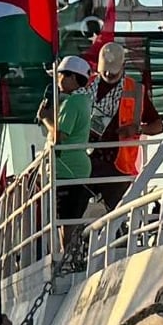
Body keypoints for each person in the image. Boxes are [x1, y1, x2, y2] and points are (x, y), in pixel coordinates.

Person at [87, 41, 160, 211]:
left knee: (114, 216)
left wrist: (138, 129)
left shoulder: (136, 91)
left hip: (120, 166)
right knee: (77, 212)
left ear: (123, 66)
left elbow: (158, 126)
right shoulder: (87, 86)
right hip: (86, 160)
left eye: (112, 72)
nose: (108, 75)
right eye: (104, 71)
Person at [40, 54, 94, 224]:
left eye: (60, 75)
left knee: (66, 223)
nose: (57, 79)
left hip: (68, 171)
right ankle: (71, 250)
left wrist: (45, 118)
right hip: (75, 169)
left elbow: (59, 137)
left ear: (72, 77)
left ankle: (67, 251)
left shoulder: (72, 103)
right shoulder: (83, 99)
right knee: (69, 221)